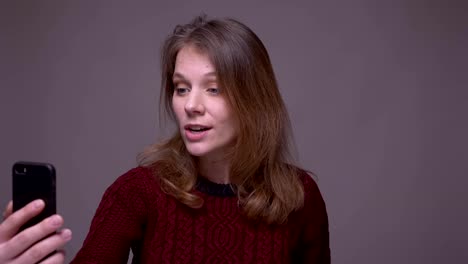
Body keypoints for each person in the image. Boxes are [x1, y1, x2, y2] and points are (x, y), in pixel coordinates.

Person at [2, 14, 330, 263]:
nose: (190, 105)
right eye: (181, 87)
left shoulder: (300, 197)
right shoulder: (137, 192)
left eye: (213, 89)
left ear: (254, 98)